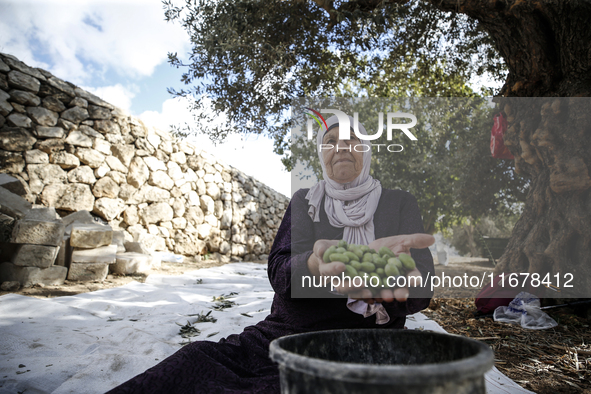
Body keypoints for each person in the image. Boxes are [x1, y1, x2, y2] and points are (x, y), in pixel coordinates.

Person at [107, 115, 434, 393]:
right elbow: (279, 268)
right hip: (283, 337)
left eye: (351, 140)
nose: (341, 148)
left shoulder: (399, 203)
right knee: (192, 365)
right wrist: (313, 265)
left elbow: (421, 288)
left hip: (368, 346)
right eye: (331, 141)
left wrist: (397, 278)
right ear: (322, 153)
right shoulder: (306, 202)